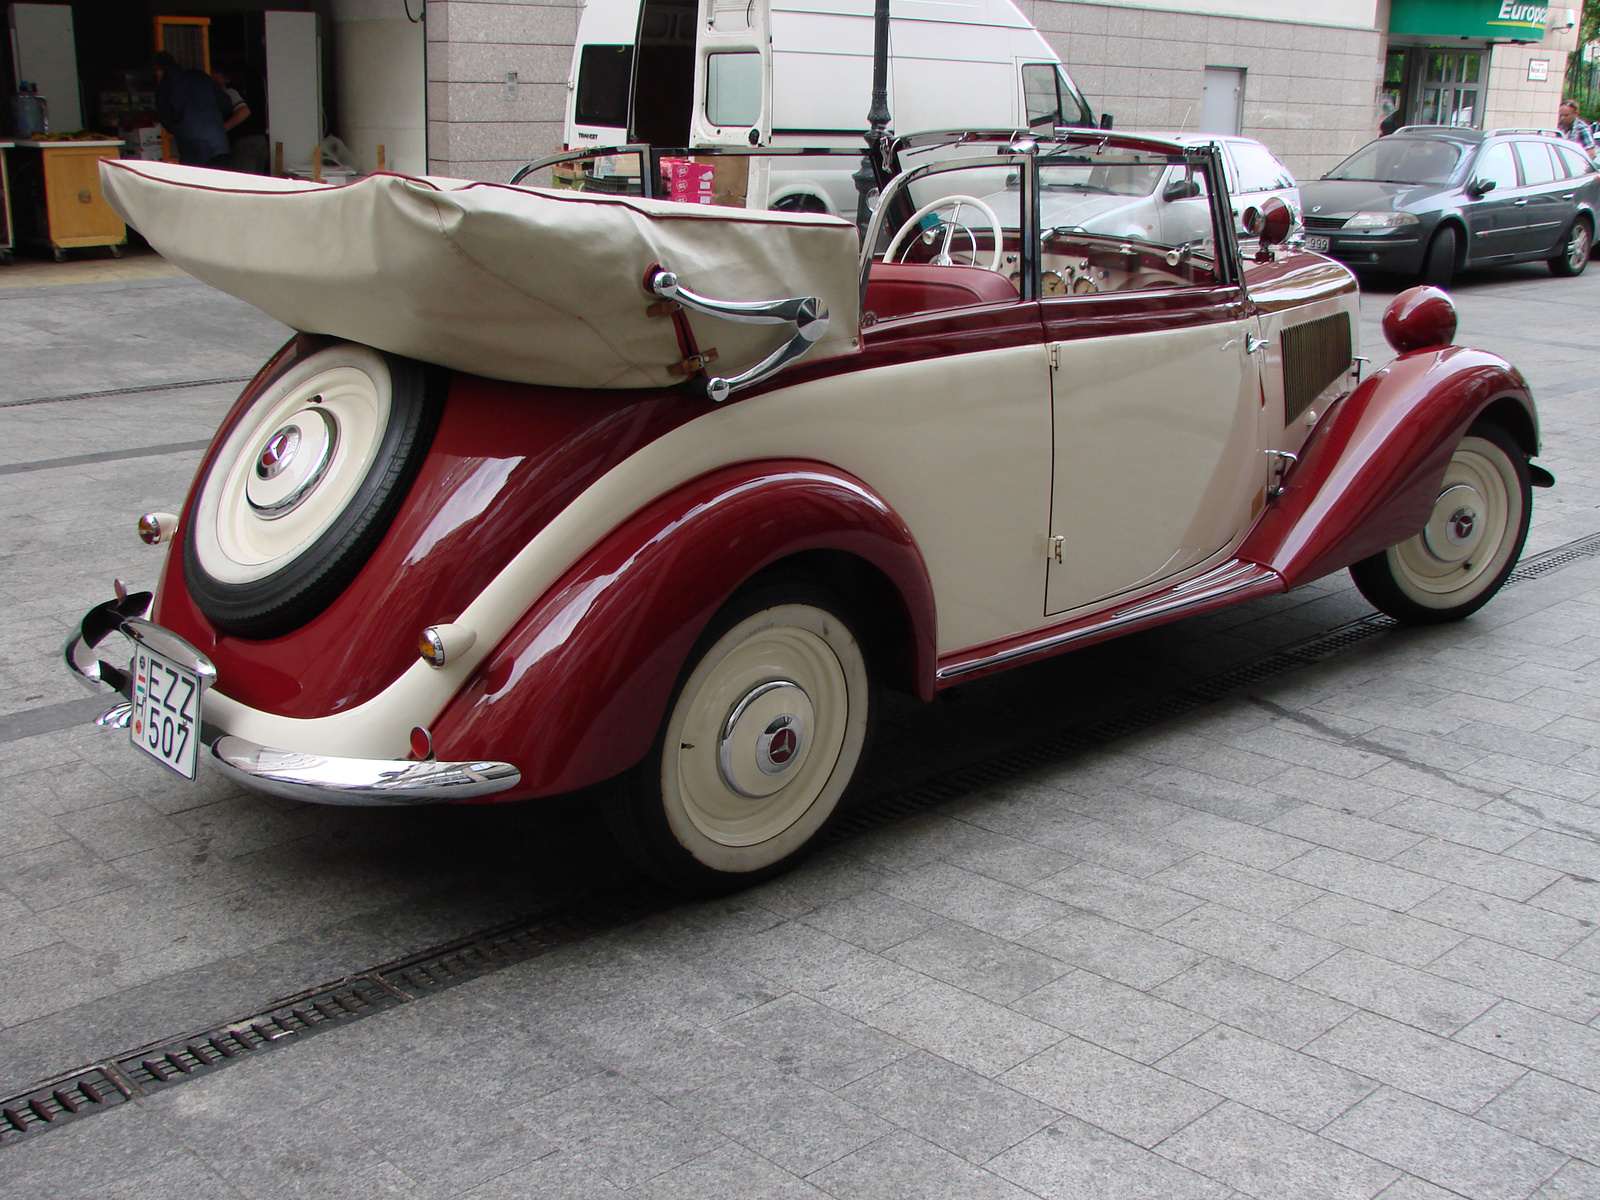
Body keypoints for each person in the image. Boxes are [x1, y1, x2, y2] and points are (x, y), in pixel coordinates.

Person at [152, 51, 231, 168]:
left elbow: (167, 120)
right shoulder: (199, 76)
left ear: (158, 71)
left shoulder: (164, 88)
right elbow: (225, 103)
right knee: (219, 183)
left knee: (197, 183)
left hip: (192, 146)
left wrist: (181, 132)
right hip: (219, 144)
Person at [212, 66, 269, 174]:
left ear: (219, 74)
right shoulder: (237, 91)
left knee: (244, 182)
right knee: (256, 183)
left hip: (246, 143)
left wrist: (223, 128)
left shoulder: (228, 92)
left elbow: (244, 111)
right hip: (259, 141)